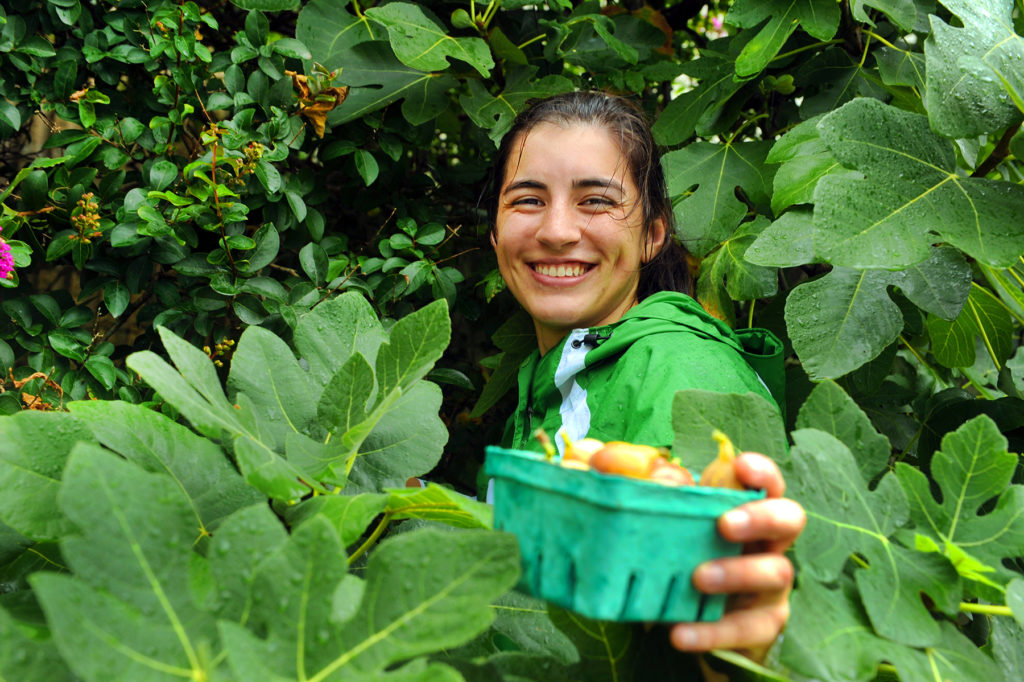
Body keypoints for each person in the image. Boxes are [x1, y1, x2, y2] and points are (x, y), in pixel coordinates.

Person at [487, 91, 806, 662]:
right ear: (495, 232)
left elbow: (725, 623)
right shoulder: (553, 372)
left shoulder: (684, 372)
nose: (557, 230)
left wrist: (743, 655)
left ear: (652, 235)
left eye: (596, 202)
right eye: (528, 199)